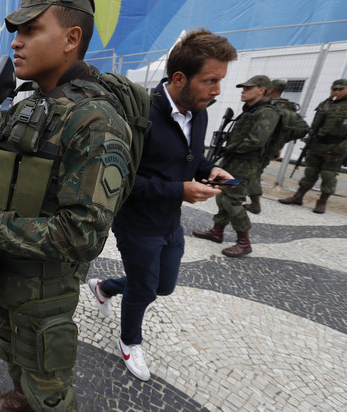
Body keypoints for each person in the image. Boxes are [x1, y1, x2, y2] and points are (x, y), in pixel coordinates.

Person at [0, 0, 133, 411]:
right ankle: (18, 395)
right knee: (10, 350)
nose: (16, 43)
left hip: (44, 289)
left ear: (71, 38)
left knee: (50, 388)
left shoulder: (96, 121)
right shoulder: (30, 103)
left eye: (30, 30)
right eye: (16, 32)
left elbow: (81, 235)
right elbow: (16, 172)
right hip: (2, 270)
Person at [88, 29, 236, 382]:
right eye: (210, 80)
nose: (217, 90)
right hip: (137, 223)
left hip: (170, 221)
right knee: (143, 288)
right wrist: (178, 191)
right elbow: (119, 179)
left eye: (220, 81)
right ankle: (129, 341)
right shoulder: (140, 115)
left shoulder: (199, 111)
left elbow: (192, 159)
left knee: (163, 286)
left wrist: (209, 169)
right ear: (180, 78)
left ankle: (105, 287)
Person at [193, 75, 280, 256]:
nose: (243, 91)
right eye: (243, 88)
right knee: (222, 195)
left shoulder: (266, 112)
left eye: (248, 88)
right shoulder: (250, 110)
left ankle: (244, 242)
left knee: (233, 200)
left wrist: (229, 147)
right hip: (234, 160)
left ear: (261, 90)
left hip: (246, 163)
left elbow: (256, 141)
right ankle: (217, 231)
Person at [279, 79, 347, 213]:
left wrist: (341, 148)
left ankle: (322, 202)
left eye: (341, 89)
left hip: (335, 146)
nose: (337, 92)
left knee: (328, 175)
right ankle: (298, 197)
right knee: (310, 172)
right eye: (334, 89)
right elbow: (316, 124)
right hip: (317, 144)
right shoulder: (325, 104)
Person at [244, 78, 299, 214]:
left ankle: (255, 203)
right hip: (271, 146)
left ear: (271, 89)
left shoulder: (268, 106)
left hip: (258, 144)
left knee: (253, 172)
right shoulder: (288, 106)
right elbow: (286, 130)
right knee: (255, 171)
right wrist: (278, 146)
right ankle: (246, 197)